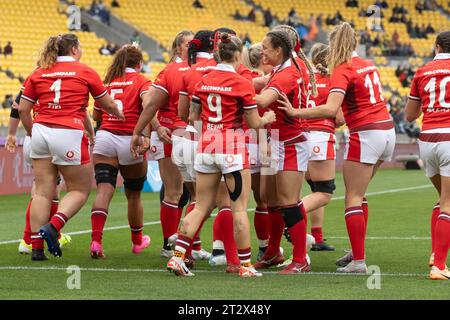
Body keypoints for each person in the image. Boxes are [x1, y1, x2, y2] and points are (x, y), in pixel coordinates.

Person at [278, 22, 396, 273]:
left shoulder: (342, 68)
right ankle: (357, 251)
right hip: (387, 130)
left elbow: (332, 111)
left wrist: (294, 112)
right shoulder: (368, 63)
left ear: (333, 45)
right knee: (359, 194)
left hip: (365, 132)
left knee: (350, 197)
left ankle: (359, 262)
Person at [166, 33, 276, 277]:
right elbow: (254, 122)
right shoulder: (241, 83)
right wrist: (267, 118)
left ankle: (177, 257)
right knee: (239, 209)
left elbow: (193, 116)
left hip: (206, 146)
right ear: (237, 56)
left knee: (200, 206)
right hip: (232, 149)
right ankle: (246, 266)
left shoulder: (202, 82)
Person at [18, 33, 123, 261]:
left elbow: (23, 109)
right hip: (69, 132)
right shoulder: (84, 71)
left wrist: (30, 131)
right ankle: (53, 227)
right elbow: (107, 103)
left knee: (43, 192)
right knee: (79, 190)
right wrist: (119, 114)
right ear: (74, 49)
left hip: (41, 131)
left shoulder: (39, 72)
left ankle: (36, 248)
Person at [131, 30, 199, 260]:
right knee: (178, 193)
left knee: (192, 194)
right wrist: (157, 128)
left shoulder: (188, 69)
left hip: (185, 134)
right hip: (175, 133)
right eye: (188, 44)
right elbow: (149, 105)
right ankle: (173, 246)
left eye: (195, 43)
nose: (192, 47)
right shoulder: (173, 70)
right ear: (178, 48)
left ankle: (189, 247)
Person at [252, 29, 312, 274]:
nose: (261, 51)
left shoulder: (286, 74)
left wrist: (229, 89)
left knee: (289, 201)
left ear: (279, 50)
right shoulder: (284, 69)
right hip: (278, 139)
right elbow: (260, 84)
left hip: (290, 142)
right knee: (272, 200)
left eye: (265, 47)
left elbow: (262, 101)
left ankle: (301, 259)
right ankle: (274, 252)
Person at [89, 44, 152, 259]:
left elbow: (96, 116)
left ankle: (96, 241)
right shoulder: (142, 81)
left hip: (105, 138)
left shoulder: (107, 82)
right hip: (130, 140)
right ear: (139, 63)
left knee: (104, 191)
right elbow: (149, 105)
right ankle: (137, 241)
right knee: (133, 195)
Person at [5, 82, 72, 255]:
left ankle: (32, 237)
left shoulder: (34, 75)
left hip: (33, 137)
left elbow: (17, 105)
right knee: (49, 189)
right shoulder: (66, 74)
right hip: (49, 134)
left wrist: (12, 133)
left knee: (42, 187)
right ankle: (33, 239)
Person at [405, 31, 450, 280]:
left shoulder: (422, 71)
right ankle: (439, 266)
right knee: (448, 203)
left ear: (437, 47)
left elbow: (410, 115)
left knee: (442, 199)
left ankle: (435, 254)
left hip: (428, 140)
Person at [303, 43, 342, 251]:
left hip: (299, 136)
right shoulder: (331, 81)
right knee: (324, 192)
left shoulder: (304, 78)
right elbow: (340, 117)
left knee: (315, 190)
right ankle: (291, 217)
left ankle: (316, 238)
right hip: (320, 137)